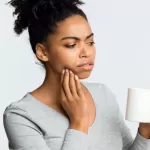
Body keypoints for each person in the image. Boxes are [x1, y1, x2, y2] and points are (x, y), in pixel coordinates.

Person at [3, 0, 150, 150]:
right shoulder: (21, 115)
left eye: (90, 42)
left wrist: (145, 132)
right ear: (43, 52)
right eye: (71, 45)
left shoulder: (103, 95)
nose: (86, 53)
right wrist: (79, 122)